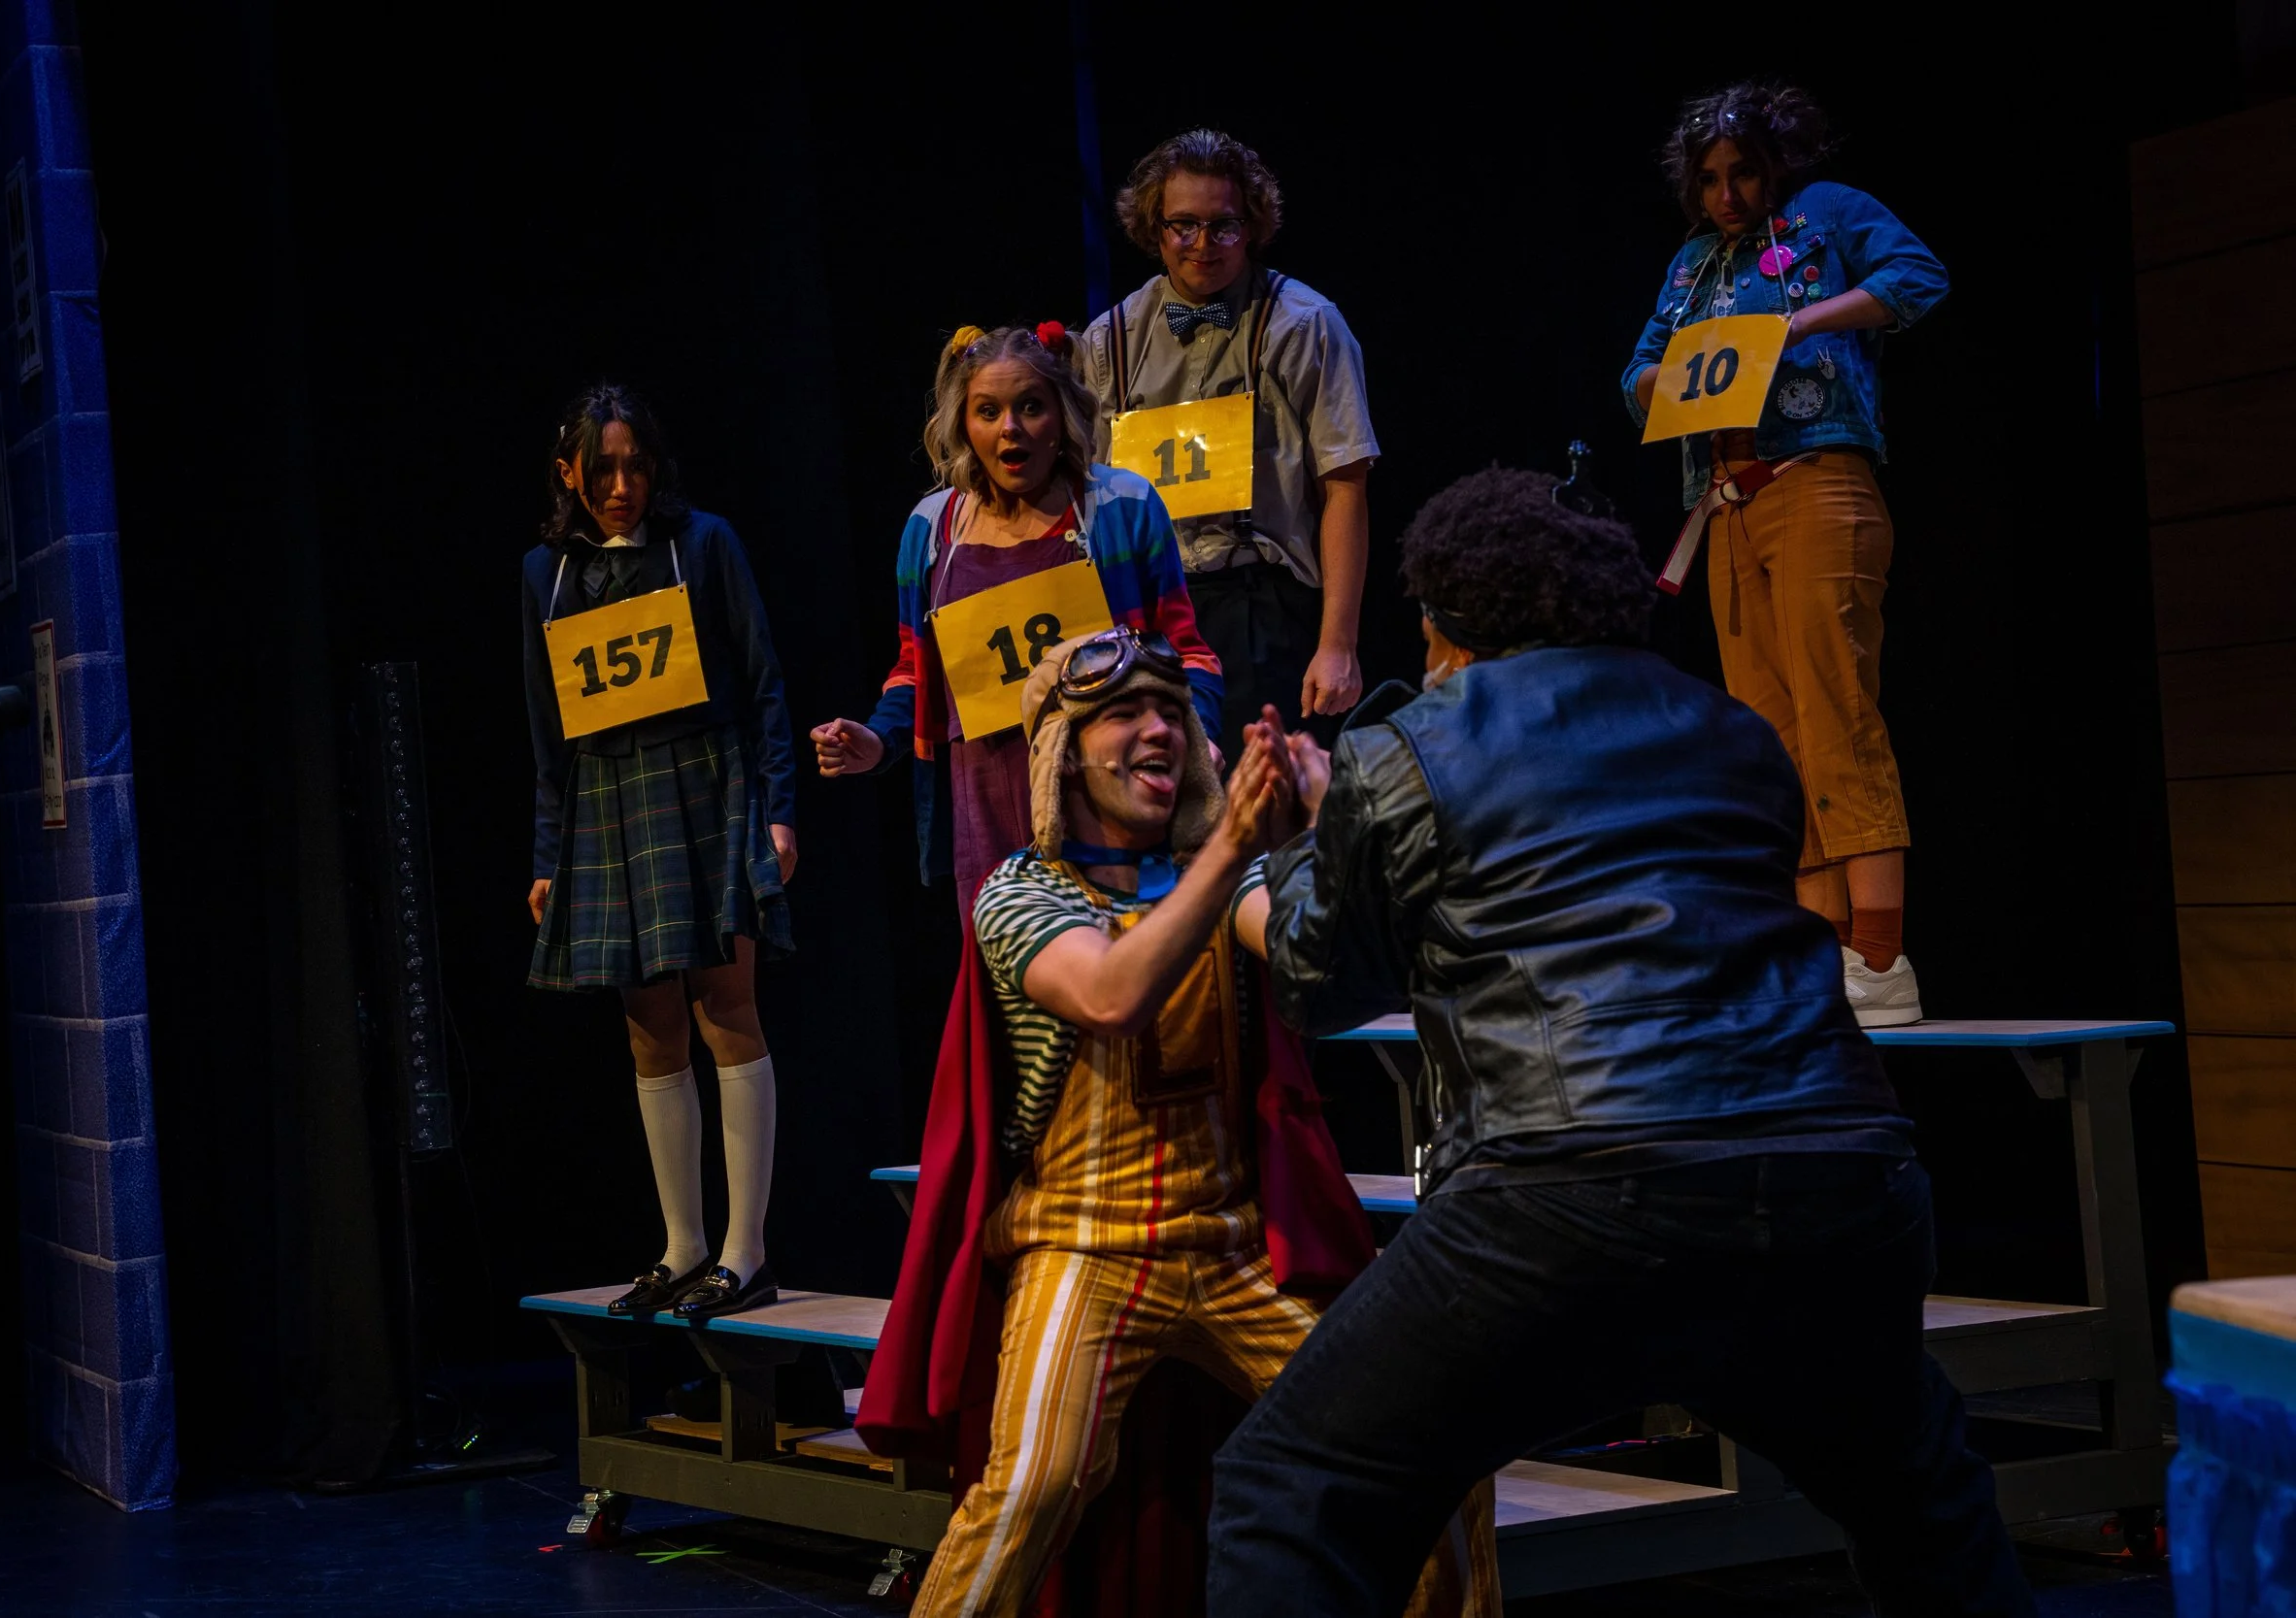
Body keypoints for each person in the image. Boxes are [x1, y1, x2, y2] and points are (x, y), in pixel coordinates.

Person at [1202, 467, 2031, 1616]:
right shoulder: (1734, 731)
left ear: (1444, 623)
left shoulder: (1411, 743)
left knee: (1294, 1480)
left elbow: (1313, 975)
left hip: (1573, 1191)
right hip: (1836, 1177)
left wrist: (1278, 843)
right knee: (1920, 1497)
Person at [857, 628, 1497, 1617]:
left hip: (1234, 1246)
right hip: (1084, 1243)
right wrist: (1235, 842)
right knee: (1032, 1486)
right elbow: (1109, 992)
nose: (1159, 728)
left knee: (1425, 1438)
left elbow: (1323, 955)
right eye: (1124, 712)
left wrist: (1335, 819)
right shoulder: (1020, 892)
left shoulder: (1225, 876)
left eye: (1171, 710)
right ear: (1063, 751)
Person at [1621, 83, 1947, 1026]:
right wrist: (1667, 377)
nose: (1727, 194)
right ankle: (1819, 951)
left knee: (1834, 706)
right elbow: (1636, 369)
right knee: (1770, 734)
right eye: (1709, 179)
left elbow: (1917, 277)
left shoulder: (1827, 213)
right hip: (1727, 504)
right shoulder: (1693, 264)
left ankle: (1879, 954)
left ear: (1776, 165)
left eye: (1743, 173)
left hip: (1815, 479)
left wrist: (1799, 323)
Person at [522, 382, 796, 1321]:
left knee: (728, 1006)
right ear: (569, 473)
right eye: (602, 469)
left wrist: (779, 810)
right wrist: (547, 855)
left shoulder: (703, 544)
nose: (620, 486)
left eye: (635, 466)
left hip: (705, 784)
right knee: (649, 1027)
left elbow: (763, 681)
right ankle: (683, 1246)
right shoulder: (547, 574)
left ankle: (746, 1252)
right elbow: (546, 732)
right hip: (607, 797)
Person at [811, 323, 1222, 913]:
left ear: (1063, 414)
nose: (1010, 428)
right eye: (988, 411)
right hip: (987, 810)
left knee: (1128, 960)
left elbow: (1188, 653)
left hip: (1112, 800)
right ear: (962, 425)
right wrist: (877, 741)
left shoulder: (1121, 508)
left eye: (1031, 406)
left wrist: (1199, 741)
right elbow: (916, 672)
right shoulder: (930, 531)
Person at [1076, 129, 1378, 755]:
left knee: (1267, 799)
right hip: (1145, 617)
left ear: (1252, 225)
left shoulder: (1303, 324)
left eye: (1224, 226)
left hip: (1260, 609)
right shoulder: (1109, 340)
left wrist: (1338, 644)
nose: (1203, 245)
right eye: (1183, 225)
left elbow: (1345, 486)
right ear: (1155, 226)